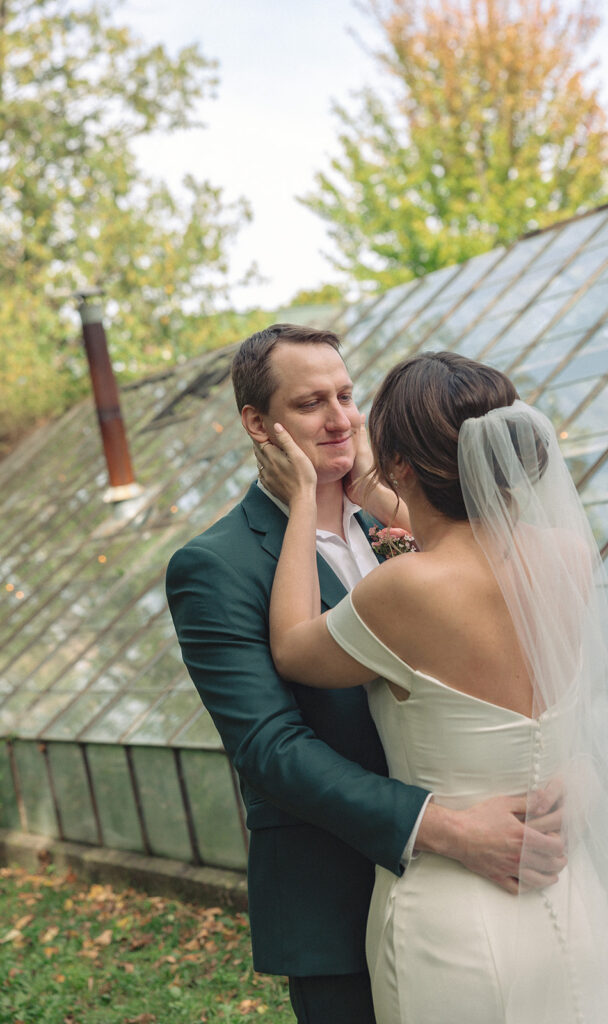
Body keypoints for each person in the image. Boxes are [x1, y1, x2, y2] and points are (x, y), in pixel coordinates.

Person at [258, 350, 608, 1024]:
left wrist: (303, 497)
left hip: (455, 919)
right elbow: (470, 535)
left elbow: (291, 648)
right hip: (571, 899)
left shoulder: (402, 589)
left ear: (398, 462)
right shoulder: (565, 555)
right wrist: (386, 484)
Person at [165, 325, 567, 1024]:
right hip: (340, 901)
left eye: (347, 395)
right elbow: (268, 749)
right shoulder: (215, 565)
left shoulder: (420, 529)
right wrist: (443, 829)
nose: (340, 418)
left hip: (505, 876)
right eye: (309, 403)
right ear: (258, 424)